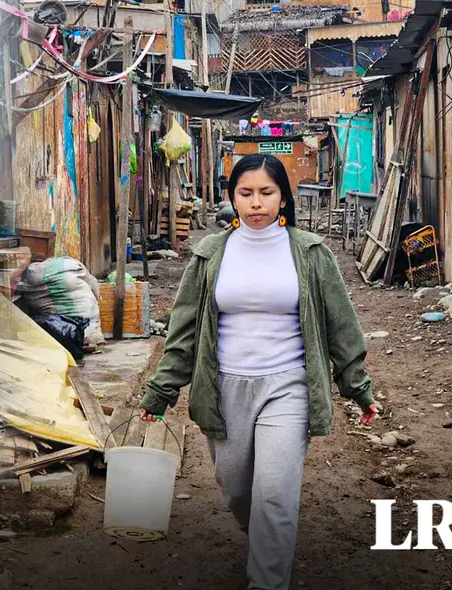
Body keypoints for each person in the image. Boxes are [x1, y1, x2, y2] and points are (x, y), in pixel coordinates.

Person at [139, 154, 377, 590]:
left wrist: (358, 388)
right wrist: (161, 391)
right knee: (238, 492)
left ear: (283, 196)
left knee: (274, 495)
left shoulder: (309, 253)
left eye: (266, 192)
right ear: (232, 198)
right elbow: (184, 330)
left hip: (288, 385)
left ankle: (267, 579)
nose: (256, 203)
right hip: (224, 387)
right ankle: (267, 546)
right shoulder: (210, 254)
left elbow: (341, 323)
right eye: (245, 193)